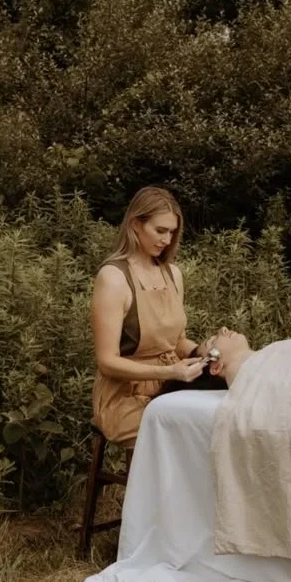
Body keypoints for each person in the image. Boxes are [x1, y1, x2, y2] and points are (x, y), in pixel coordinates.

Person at [91, 186, 208, 446]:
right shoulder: (113, 278)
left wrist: (207, 354)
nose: (167, 240)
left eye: (172, 232)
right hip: (124, 396)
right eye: (160, 231)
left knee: (215, 419)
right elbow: (107, 361)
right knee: (187, 432)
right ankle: (155, 488)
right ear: (135, 225)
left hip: (168, 387)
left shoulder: (173, 274)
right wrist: (171, 372)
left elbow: (176, 342)